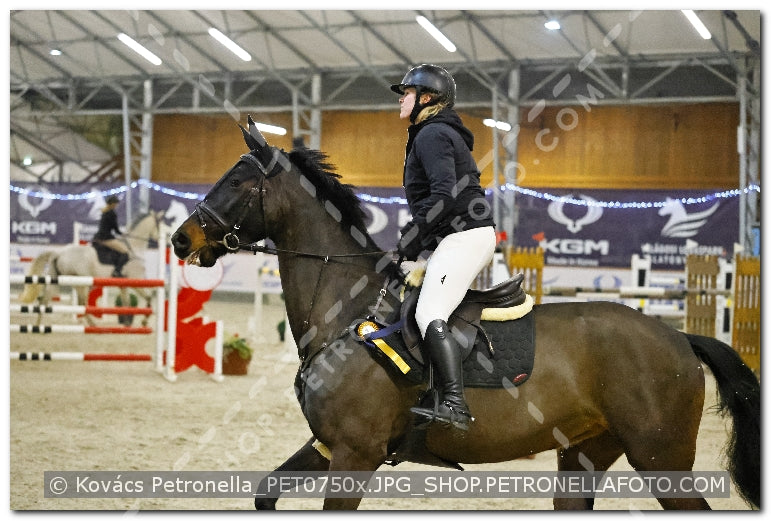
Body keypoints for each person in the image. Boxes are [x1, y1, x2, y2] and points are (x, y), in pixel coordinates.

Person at [391, 64, 497, 431]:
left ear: (428, 98)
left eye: (406, 93)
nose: (401, 100)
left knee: (428, 311)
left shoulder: (432, 134)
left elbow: (443, 194)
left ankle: (454, 403)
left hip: (465, 234)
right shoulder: (431, 132)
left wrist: (412, 237)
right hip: (457, 235)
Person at [92, 195, 130, 277]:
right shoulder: (112, 213)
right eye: (116, 203)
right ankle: (117, 271)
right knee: (125, 252)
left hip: (101, 236)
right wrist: (122, 234)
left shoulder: (105, 211)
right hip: (106, 238)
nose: (117, 205)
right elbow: (115, 229)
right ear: (113, 204)